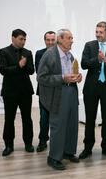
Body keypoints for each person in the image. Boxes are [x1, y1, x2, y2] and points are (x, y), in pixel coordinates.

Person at [37, 29, 82, 170]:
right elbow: (41, 77)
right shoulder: (49, 55)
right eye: (69, 38)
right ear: (60, 39)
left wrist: (77, 78)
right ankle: (54, 157)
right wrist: (63, 78)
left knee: (71, 124)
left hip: (71, 92)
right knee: (58, 127)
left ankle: (68, 152)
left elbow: (72, 73)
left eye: (72, 38)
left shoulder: (70, 55)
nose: (72, 40)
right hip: (58, 94)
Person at [80, 21, 106, 159]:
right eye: (96, 32)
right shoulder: (89, 45)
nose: (98, 34)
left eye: (101, 32)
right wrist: (97, 60)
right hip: (91, 89)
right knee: (90, 119)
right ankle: (87, 148)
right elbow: (84, 64)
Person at [0, 29, 35, 156]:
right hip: (10, 92)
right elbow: (3, 70)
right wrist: (18, 66)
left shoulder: (28, 53)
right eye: (21, 39)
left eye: (25, 39)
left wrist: (24, 66)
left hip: (25, 91)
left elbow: (31, 71)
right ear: (13, 38)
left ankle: (28, 143)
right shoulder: (3, 52)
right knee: (9, 119)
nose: (23, 42)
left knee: (27, 119)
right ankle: (8, 145)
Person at [35, 31, 56, 152]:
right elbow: (39, 71)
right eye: (48, 40)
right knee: (44, 119)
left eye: (52, 40)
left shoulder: (61, 52)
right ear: (44, 40)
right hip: (43, 91)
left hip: (58, 91)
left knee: (56, 119)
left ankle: (55, 141)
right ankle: (42, 141)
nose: (50, 42)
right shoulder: (39, 53)